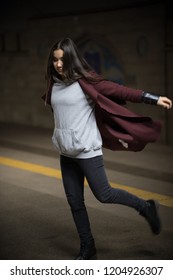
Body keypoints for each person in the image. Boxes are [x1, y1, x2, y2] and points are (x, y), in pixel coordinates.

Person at [42, 37, 172, 260]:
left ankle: (146, 207)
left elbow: (120, 91)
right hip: (66, 154)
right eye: (55, 60)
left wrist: (152, 98)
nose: (58, 64)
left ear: (72, 59)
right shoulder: (54, 84)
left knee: (104, 194)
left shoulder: (86, 83)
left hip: (87, 152)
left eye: (62, 60)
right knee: (75, 202)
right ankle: (88, 246)